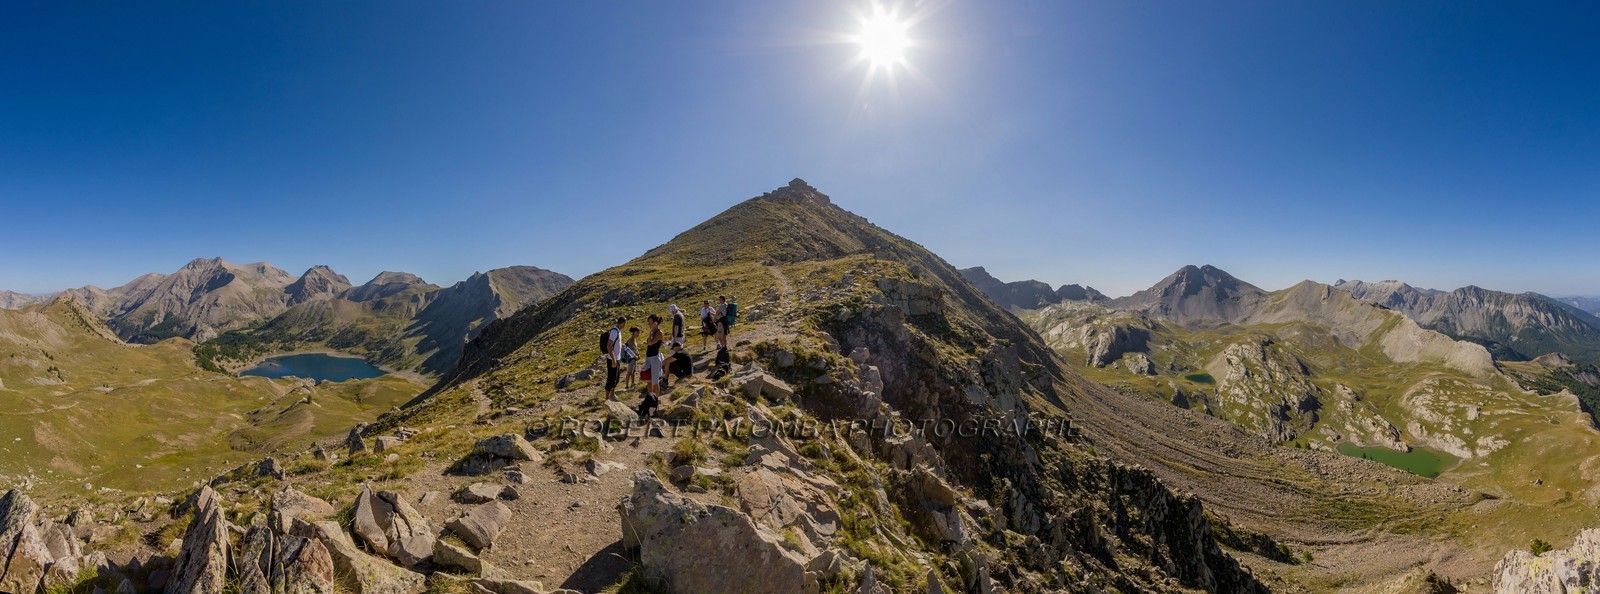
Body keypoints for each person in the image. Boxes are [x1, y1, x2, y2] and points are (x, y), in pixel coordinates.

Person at [640, 314, 665, 417]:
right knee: (648, 381)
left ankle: (655, 403)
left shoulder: (659, 333)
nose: (649, 324)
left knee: (655, 382)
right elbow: (647, 342)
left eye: (650, 322)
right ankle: (649, 399)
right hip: (649, 358)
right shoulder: (653, 331)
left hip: (655, 358)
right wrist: (651, 331)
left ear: (655, 323)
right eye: (648, 322)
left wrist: (652, 331)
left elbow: (650, 343)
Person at [604, 316, 625, 400]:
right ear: (623, 323)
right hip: (612, 359)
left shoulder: (618, 331)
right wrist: (613, 360)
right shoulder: (614, 332)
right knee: (611, 379)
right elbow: (608, 345)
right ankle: (607, 398)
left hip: (617, 358)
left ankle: (612, 394)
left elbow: (615, 343)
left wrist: (621, 345)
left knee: (616, 378)